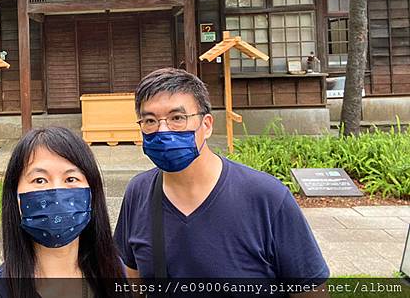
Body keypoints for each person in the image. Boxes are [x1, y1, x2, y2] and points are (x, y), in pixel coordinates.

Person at [114, 68, 329, 291]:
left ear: (206, 125)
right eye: (150, 121)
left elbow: (310, 289)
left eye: (177, 118)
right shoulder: (138, 193)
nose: (162, 130)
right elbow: (131, 282)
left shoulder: (267, 197)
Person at [0, 127, 126, 298]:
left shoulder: (113, 271)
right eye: (40, 180)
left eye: (71, 179)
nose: (57, 193)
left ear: (92, 193)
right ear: (15, 196)